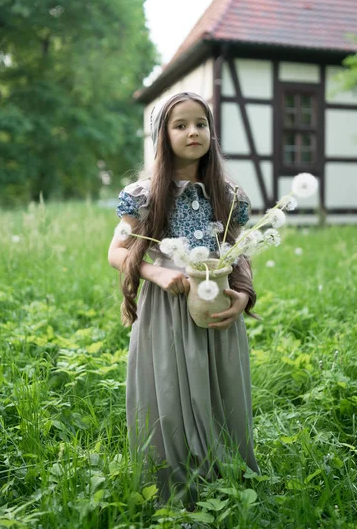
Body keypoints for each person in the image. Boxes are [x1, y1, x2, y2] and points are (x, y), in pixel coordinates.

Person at [108, 91, 259, 505]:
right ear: (163, 134)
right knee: (170, 391)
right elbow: (117, 251)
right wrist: (155, 272)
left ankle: (225, 479)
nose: (193, 132)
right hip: (166, 309)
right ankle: (173, 483)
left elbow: (240, 251)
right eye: (181, 125)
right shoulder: (143, 195)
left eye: (201, 124)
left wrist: (243, 296)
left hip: (217, 305)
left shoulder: (227, 194)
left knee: (221, 386)